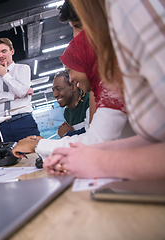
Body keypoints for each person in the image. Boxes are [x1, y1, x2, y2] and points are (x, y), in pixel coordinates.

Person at [43, 0, 165, 180]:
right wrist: (89, 155)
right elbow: (155, 139)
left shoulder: (127, 8)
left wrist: (100, 160)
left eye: (78, 26)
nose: (76, 38)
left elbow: (97, 138)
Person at [12, 29, 128, 160]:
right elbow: (88, 135)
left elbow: (95, 143)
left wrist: (37, 145)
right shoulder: (101, 92)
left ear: (85, 62)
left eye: (70, 70)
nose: (71, 78)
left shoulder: (111, 88)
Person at [0, 38, 40, 142]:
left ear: (12, 51)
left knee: (33, 153)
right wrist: (13, 96)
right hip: (3, 124)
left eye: (4, 51)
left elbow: (21, 92)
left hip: (23, 120)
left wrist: (5, 75)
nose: (0, 55)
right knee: (9, 156)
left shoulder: (23, 68)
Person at [52, 70, 89, 138]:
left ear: (73, 86)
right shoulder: (67, 113)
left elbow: (93, 135)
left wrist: (68, 134)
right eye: (53, 90)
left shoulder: (89, 102)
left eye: (58, 89)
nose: (55, 95)